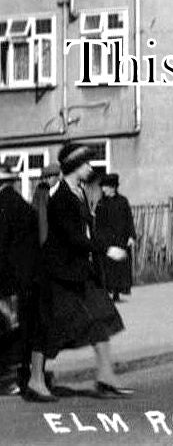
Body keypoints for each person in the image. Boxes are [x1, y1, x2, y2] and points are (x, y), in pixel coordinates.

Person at [24, 144, 133, 403]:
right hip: (58, 274)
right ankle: (35, 381)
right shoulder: (61, 198)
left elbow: (87, 231)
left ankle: (106, 376)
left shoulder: (80, 191)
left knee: (102, 315)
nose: (90, 168)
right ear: (74, 166)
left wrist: (105, 246)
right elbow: (73, 238)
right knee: (49, 326)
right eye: (85, 164)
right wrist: (107, 249)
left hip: (79, 272)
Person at [0, 162, 40, 396]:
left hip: (7, 280)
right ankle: (21, 375)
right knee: (18, 328)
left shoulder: (3, 207)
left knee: (8, 328)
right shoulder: (23, 205)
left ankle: (10, 380)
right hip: (25, 279)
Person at [93, 174, 136, 302]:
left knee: (120, 267)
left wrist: (131, 236)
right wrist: (99, 239)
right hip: (107, 241)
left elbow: (129, 219)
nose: (103, 189)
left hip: (121, 239)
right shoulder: (101, 203)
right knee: (107, 267)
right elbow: (98, 224)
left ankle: (117, 292)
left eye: (105, 186)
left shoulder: (123, 201)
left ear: (113, 187)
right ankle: (108, 291)